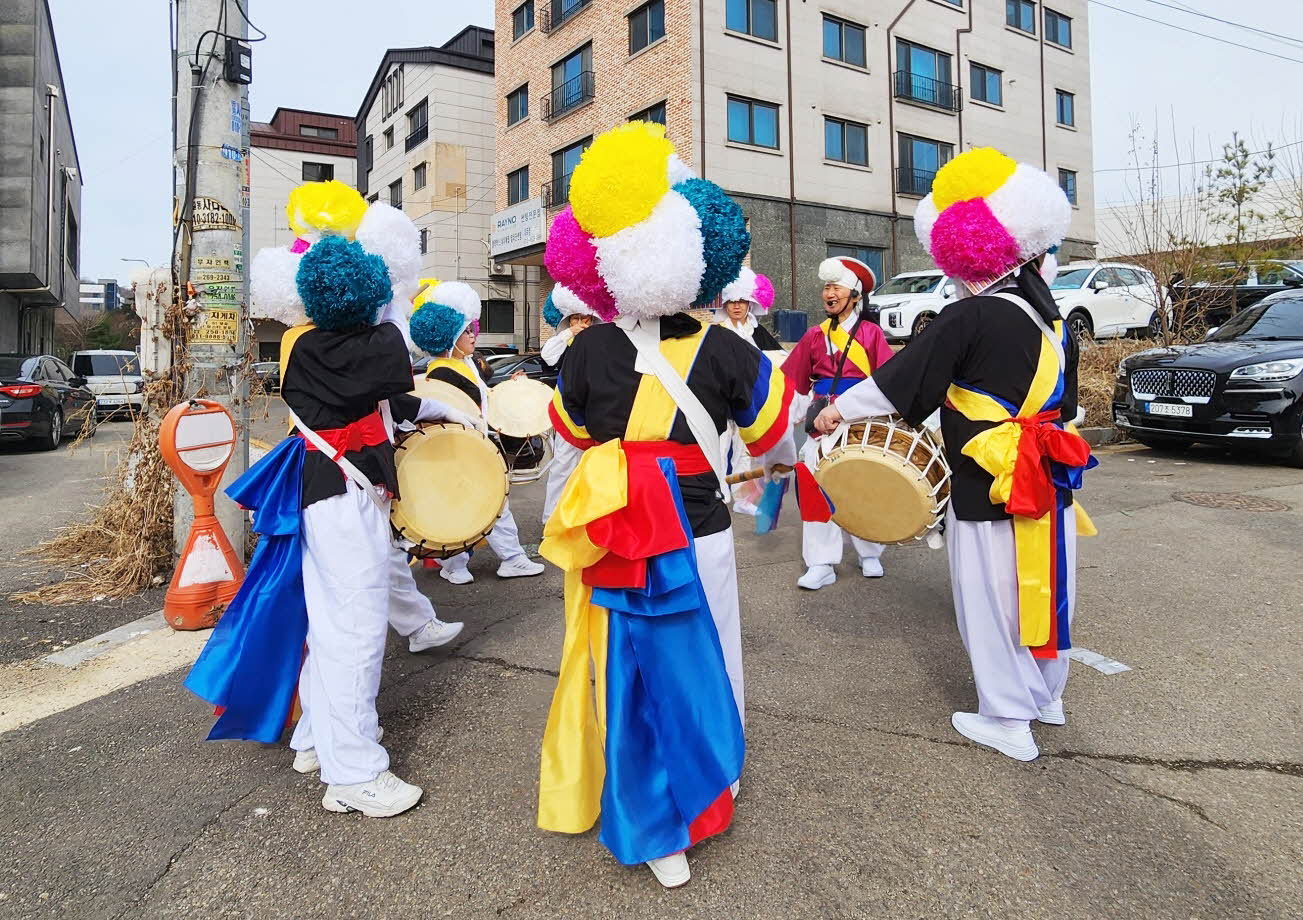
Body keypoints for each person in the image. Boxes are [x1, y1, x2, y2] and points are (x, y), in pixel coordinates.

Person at [537, 122, 796, 889]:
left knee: (632, 668)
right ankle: (718, 771)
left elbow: (570, 430)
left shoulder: (584, 348)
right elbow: (772, 434)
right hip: (701, 524)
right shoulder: (730, 348)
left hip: (622, 530)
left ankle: (652, 818)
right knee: (714, 650)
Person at [186, 188, 478, 819]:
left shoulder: (304, 349)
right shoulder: (380, 347)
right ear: (369, 294)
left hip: (321, 495)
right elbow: (394, 378)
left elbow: (390, 404)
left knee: (328, 626)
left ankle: (315, 738)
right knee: (355, 635)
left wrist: (446, 409)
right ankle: (353, 774)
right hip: (347, 500)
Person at [813, 147, 1096, 762]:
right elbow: (1068, 406)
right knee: (1047, 584)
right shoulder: (1054, 322)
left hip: (988, 476)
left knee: (990, 597)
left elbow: (904, 381)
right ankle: (1047, 697)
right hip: (1050, 473)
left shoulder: (971, 314)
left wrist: (838, 410)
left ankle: (1006, 716)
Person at [409, 281, 545, 584]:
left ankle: (464, 564)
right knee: (482, 504)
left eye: (473, 329)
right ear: (451, 337)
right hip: (460, 448)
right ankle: (503, 560)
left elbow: (483, 398)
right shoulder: (441, 370)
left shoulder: (466, 363)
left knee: (475, 505)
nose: (474, 335)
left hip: (472, 446)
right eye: (467, 331)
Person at [781, 257, 896, 590]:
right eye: (826, 287)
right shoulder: (814, 336)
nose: (828, 293)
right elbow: (793, 383)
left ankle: (870, 550)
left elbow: (887, 381)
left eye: (836, 287)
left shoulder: (872, 334)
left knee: (865, 486)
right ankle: (820, 562)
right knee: (817, 487)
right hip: (821, 422)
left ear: (855, 295)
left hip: (861, 419)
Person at [713, 268, 781, 515]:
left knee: (745, 448)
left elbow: (776, 360)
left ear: (749, 304)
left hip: (748, 397)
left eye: (742, 301)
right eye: (732, 302)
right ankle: (719, 489)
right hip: (720, 397)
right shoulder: (716, 331)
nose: (737, 307)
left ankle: (743, 498)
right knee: (719, 444)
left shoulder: (757, 331)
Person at [539, 284, 604, 525]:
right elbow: (547, 357)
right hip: (567, 413)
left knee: (594, 468)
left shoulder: (602, 342)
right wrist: (569, 333)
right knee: (562, 467)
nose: (582, 323)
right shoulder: (563, 341)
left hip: (596, 414)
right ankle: (551, 519)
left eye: (586, 319)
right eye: (576, 318)